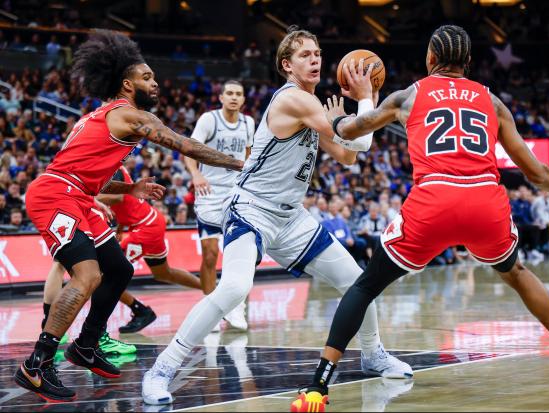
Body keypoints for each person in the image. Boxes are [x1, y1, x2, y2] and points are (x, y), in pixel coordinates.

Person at [293, 25, 549, 412]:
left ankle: (318, 387)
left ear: (429, 58)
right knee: (518, 274)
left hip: (434, 201)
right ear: (468, 63)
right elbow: (533, 172)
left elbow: (351, 131)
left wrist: (357, 102)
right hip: (484, 201)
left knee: (365, 286)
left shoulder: (410, 95)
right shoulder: (492, 102)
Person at [142, 26, 412, 406]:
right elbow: (362, 140)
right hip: (251, 209)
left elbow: (350, 155)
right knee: (235, 288)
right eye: (305, 55)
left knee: (358, 282)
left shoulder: (314, 107)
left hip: (291, 219)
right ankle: (162, 369)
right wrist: (367, 102)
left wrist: (369, 103)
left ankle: (372, 353)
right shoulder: (293, 100)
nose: (315, 59)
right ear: (287, 65)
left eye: (318, 53)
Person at [14, 30, 243, 403]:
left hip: (79, 196)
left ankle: (86, 345)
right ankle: (37, 365)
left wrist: (130, 189)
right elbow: (183, 143)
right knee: (87, 275)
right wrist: (239, 163)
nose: (155, 83)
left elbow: (88, 173)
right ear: (127, 83)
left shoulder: (107, 116)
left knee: (120, 269)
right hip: (55, 195)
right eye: (147, 77)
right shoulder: (129, 115)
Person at [42, 166, 205, 340]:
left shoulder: (111, 166)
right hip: (149, 221)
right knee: (164, 273)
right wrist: (121, 226)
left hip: (145, 228)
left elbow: (119, 196)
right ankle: (211, 289)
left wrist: (89, 198)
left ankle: (140, 310)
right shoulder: (114, 164)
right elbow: (127, 200)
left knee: (105, 276)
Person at [184, 80, 255, 331]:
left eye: (239, 94)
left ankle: (237, 307)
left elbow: (248, 157)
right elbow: (189, 149)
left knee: (242, 255)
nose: (234, 97)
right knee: (211, 255)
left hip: (235, 194)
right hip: (209, 192)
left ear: (243, 99)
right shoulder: (209, 120)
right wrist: (196, 175)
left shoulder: (248, 123)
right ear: (222, 97)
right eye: (230, 93)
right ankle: (210, 308)